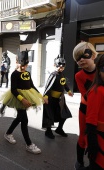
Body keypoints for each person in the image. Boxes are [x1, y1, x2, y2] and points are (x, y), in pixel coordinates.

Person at [0, 49, 48, 154]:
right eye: (22, 65)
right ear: (17, 62)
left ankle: (8, 133)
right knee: (24, 120)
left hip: (27, 97)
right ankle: (29, 144)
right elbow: (13, 90)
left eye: (26, 65)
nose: (24, 67)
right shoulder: (14, 74)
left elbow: (32, 86)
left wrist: (41, 96)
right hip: (18, 99)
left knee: (19, 118)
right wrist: (23, 99)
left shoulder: (27, 73)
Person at [73, 42, 98, 170]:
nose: (81, 59)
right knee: (83, 137)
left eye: (84, 55)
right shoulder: (79, 76)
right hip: (85, 109)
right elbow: (85, 95)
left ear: (93, 55)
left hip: (100, 109)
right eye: (78, 58)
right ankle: (79, 162)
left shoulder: (101, 70)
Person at [42, 56, 73, 139]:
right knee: (49, 116)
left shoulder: (61, 74)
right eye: (59, 66)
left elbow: (64, 83)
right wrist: (45, 96)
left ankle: (59, 129)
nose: (61, 68)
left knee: (64, 114)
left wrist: (68, 90)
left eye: (63, 66)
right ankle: (48, 131)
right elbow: (48, 86)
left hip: (59, 99)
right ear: (54, 65)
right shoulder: (53, 75)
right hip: (51, 99)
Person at [85, 54, 104, 170]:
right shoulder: (97, 91)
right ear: (99, 71)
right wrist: (93, 144)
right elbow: (91, 121)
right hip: (99, 138)